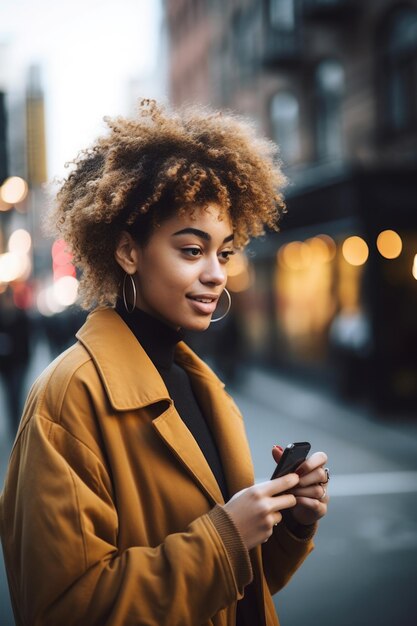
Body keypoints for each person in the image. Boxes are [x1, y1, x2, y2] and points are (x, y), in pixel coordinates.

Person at [0, 100, 329, 626]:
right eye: (192, 250)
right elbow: (61, 609)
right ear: (128, 252)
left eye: (223, 252)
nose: (217, 273)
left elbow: (235, 591)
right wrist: (224, 537)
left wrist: (287, 524)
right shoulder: (69, 397)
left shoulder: (200, 383)